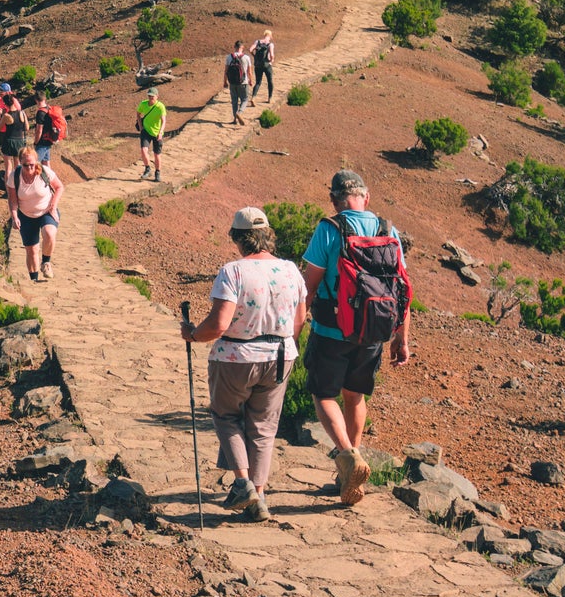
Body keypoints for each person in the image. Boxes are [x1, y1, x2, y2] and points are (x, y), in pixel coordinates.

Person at [180, 207, 309, 523]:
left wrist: (194, 335)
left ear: (238, 238)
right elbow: (300, 319)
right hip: (280, 355)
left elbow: (219, 324)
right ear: (268, 235)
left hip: (237, 356)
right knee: (264, 427)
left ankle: (242, 484)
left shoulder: (233, 271)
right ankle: (260, 496)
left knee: (227, 416)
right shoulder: (292, 270)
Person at [301, 169, 412, 505]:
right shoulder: (386, 229)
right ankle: (348, 474)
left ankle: (348, 458)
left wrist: (291, 331)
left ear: (335, 200)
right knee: (355, 397)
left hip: (332, 330)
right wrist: (402, 340)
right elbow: (401, 289)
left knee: (322, 395)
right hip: (373, 332)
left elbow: (309, 286)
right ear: (367, 197)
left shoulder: (330, 228)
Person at [6, 146, 62, 282]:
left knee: (49, 233)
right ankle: (34, 280)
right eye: (26, 165)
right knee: (31, 250)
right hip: (26, 215)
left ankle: (46, 262)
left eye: (32, 164)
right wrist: (14, 217)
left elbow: (59, 187)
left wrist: (53, 206)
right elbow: (12, 200)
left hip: (46, 211)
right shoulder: (14, 176)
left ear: (36, 162)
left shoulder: (44, 172)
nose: (29, 168)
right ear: (20, 162)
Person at [136, 88, 166, 181]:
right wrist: (141, 127)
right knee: (143, 150)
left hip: (157, 133)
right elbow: (138, 114)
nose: (150, 98)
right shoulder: (143, 104)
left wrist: (160, 132)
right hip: (146, 131)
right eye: (149, 96)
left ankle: (157, 173)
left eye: (152, 96)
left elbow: (163, 120)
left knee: (157, 155)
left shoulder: (160, 106)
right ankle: (147, 169)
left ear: (157, 96)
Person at [32, 90, 66, 165]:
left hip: (42, 142)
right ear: (44, 99)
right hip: (49, 139)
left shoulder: (40, 113)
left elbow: (39, 130)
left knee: (34, 163)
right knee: (46, 163)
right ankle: (49, 177)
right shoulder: (49, 109)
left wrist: (35, 142)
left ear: (36, 100)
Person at [224, 40, 252, 125]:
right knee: (245, 99)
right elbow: (249, 72)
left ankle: (234, 120)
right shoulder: (246, 57)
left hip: (232, 82)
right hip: (243, 82)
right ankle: (239, 113)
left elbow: (226, 71)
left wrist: (225, 82)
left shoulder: (229, 57)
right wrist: (250, 80)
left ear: (234, 47)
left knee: (234, 100)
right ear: (242, 47)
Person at [252, 30, 277, 104]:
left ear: (264, 35)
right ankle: (270, 98)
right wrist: (271, 60)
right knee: (270, 81)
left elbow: (250, 49)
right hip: (267, 65)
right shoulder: (270, 44)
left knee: (258, 82)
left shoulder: (257, 42)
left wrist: (254, 57)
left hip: (258, 65)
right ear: (270, 36)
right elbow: (272, 55)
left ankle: (253, 97)